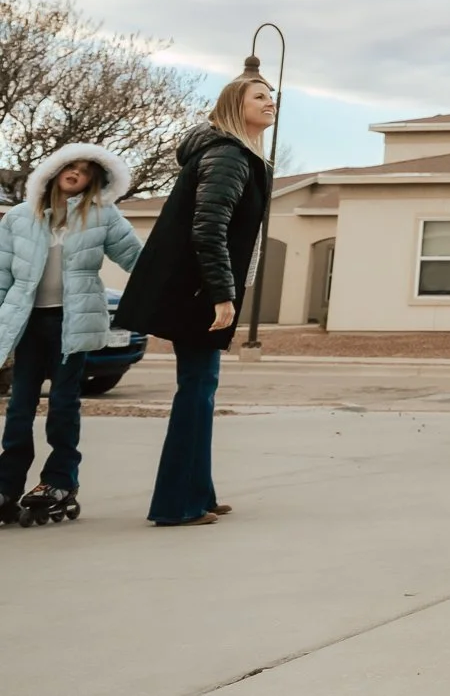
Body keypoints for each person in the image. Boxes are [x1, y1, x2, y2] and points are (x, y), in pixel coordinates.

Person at [114, 59, 276, 527]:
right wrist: (222, 296)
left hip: (200, 287)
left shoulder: (237, 155)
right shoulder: (227, 155)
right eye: (260, 96)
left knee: (202, 388)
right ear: (234, 106)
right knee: (197, 391)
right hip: (199, 291)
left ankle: (198, 494)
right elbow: (209, 230)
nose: (271, 103)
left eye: (272, 97)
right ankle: (175, 505)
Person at [0, 145, 145, 526]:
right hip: (29, 324)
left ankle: (59, 482)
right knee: (19, 408)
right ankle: (6, 484)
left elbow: (137, 260)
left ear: (93, 181)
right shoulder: (18, 218)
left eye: (85, 170)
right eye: (70, 166)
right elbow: (2, 276)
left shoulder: (102, 216)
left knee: (63, 406)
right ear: (54, 170)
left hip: (73, 323)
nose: (75, 173)